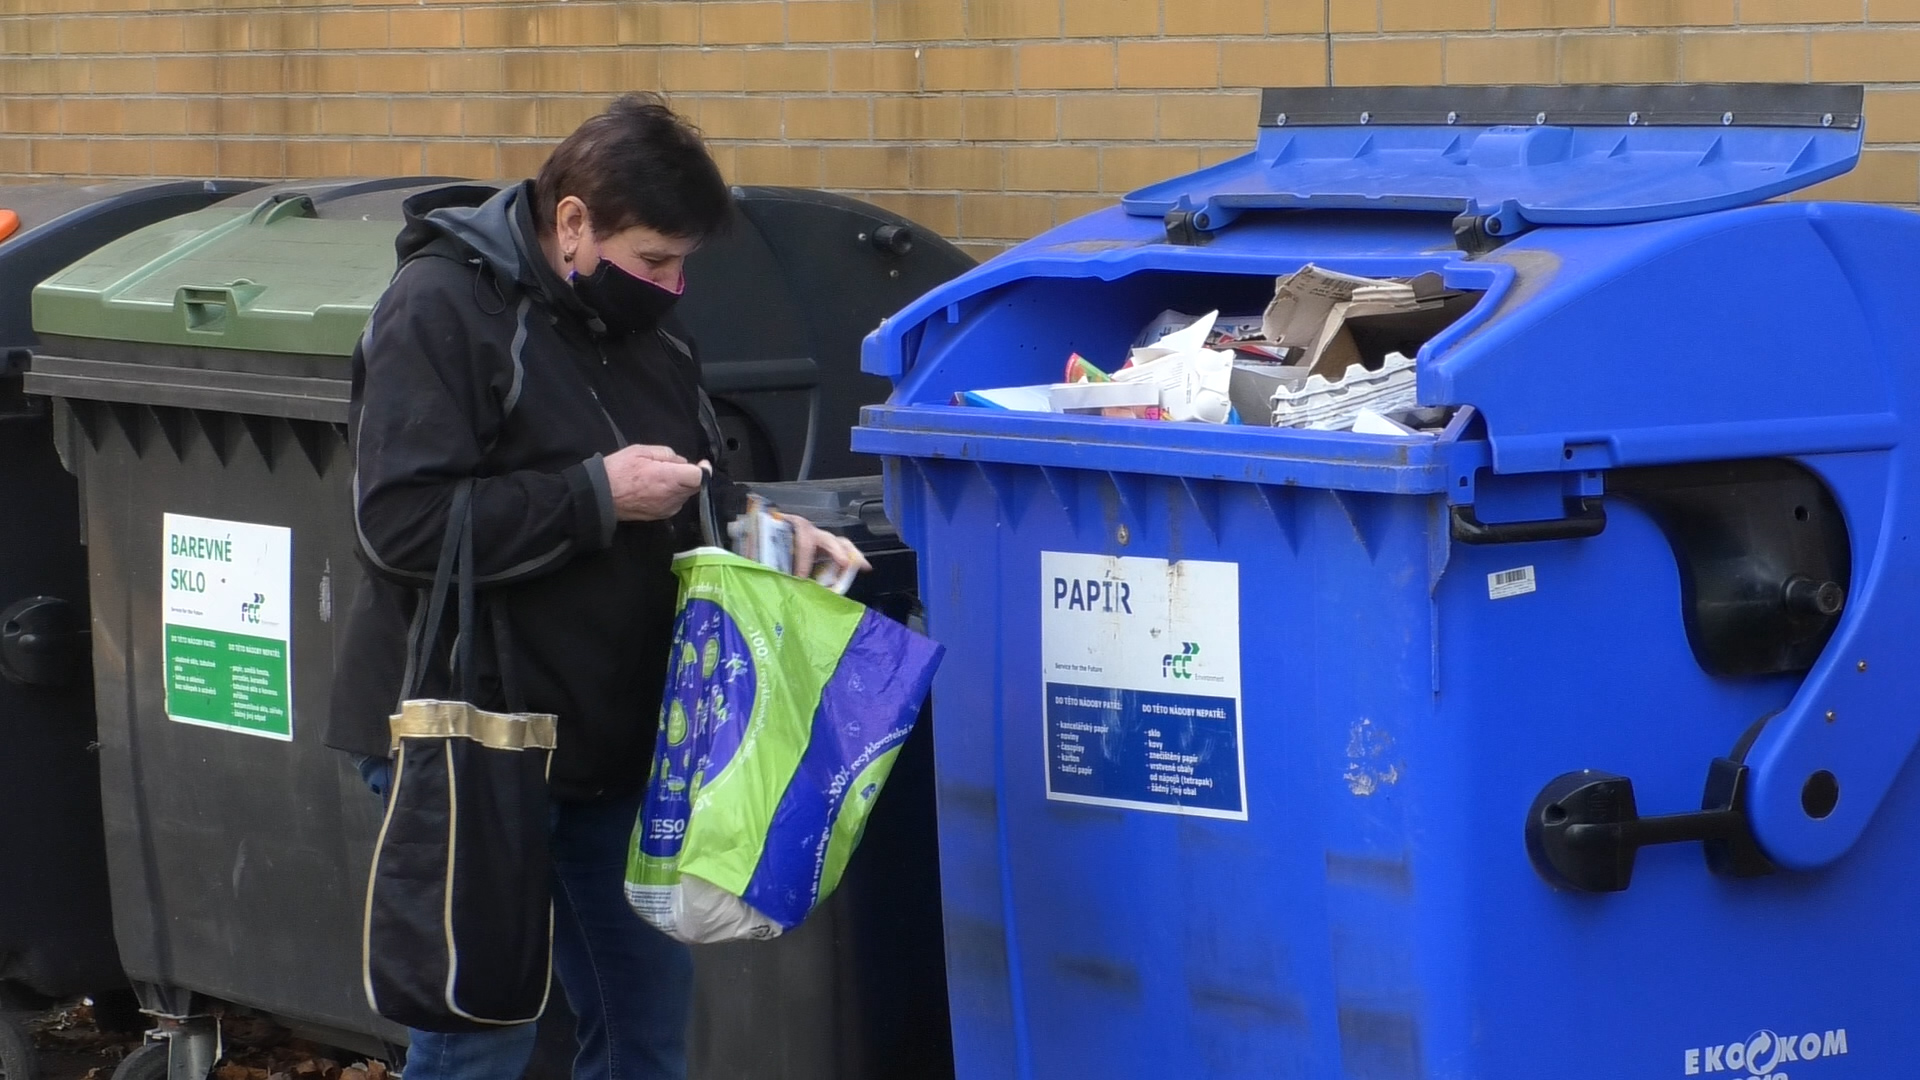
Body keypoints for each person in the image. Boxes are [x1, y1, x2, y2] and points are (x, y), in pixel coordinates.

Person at [326, 94, 865, 1080]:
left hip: (612, 745)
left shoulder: (649, 334)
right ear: (571, 221)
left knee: (643, 1033)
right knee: (481, 1037)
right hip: (477, 736)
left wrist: (770, 537)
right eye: (655, 260)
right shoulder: (443, 309)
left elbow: (697, 487)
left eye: (682, 263)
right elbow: (396, 523)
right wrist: (592, 496)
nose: (673, 284)